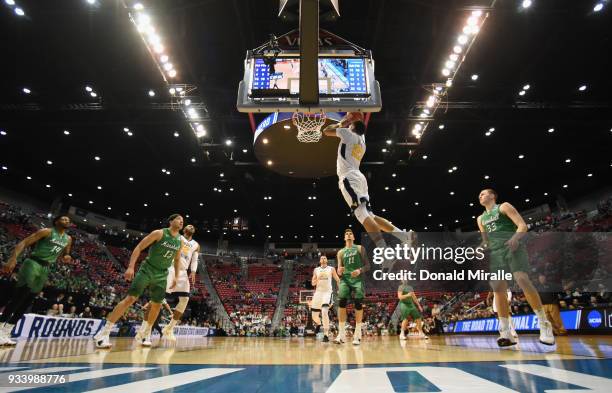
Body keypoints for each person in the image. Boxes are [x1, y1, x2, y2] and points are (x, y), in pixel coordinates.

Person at [323, 114, 409, 271]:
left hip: (349, 177)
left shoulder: (349, 133)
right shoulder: (362, 141)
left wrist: (343, 122)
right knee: (371, 216)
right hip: (358, 177)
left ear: (353, 126)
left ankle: (385, 253)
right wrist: (352, 120)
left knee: (362, 215)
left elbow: (326, 130)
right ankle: (403, 236)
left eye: (351, 124)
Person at [477, 189, 554, 346]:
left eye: (484, 193)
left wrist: (514, 238)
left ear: (493, 196)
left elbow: (522, 226)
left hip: (513, 247)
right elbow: (485, 241)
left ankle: (544, 324)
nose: (481, 196)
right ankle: (505, 332)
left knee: (522, 279)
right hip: (497, 253)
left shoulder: (504, 207)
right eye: (479, 195)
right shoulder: (480, 218)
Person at [93, 214, 183, 349]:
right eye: (178, 219)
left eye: (183, 221)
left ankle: (145, 334)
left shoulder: (180, 241)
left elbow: (176, 259)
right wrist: (130, 266)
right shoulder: (159, 233)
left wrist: (176, 276)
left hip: (162, 274)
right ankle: (103, 332)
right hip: (147, 269)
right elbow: (139, 247)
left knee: (157, 305)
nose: (181, 222)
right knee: (130, 299)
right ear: (171, 221)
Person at [0, 216, 73, 346]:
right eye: (64, 219)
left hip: (45, 268)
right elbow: (23, 243)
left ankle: (7, 331)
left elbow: (65, 254)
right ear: (56, 221)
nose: (67, 221)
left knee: (28, 300)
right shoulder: (46, 231)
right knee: (20, 296)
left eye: (68, 220)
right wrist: (13, 258)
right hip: (33, 263)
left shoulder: (68, 239)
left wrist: (67, 256)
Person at [161, 224, 200, 341]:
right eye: (188, 225)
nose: (191, 226)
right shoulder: (177, 237)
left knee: (185, 300)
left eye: (193, 226)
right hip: (171, 268)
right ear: (184, 230)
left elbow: (195, 259)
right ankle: (145, 331)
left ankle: (169, 328)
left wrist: (193, 271)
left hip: (183, 272)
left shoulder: (196, 245)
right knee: (159, 297)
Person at [334, 228, 370, 346]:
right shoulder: (340, 252)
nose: (348, 235)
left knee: (358, 303)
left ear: (353, 237)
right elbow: (339, 270)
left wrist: (359, 270)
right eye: (346, 234)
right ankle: (341, 334)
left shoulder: (360, 248)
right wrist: (339, 270)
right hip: (345, 279)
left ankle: (357, 333)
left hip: (357, 279)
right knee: (341, 303)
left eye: (350, 234)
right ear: (344, 238)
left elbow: (368, 266)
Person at [310, 255, 340, 342]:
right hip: (318, 293)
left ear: (327, 260)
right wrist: (318, 278)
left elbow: (338, 280)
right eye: (321, 258)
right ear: (320, 261)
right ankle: (319, 324)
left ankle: (326, 335)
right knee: (314, 316)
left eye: (325, 258)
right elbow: (312, 283)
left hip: (327, 293)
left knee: (324, 311)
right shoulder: (316, 270)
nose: (323, 259)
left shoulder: (331, 269)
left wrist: (340, 289)